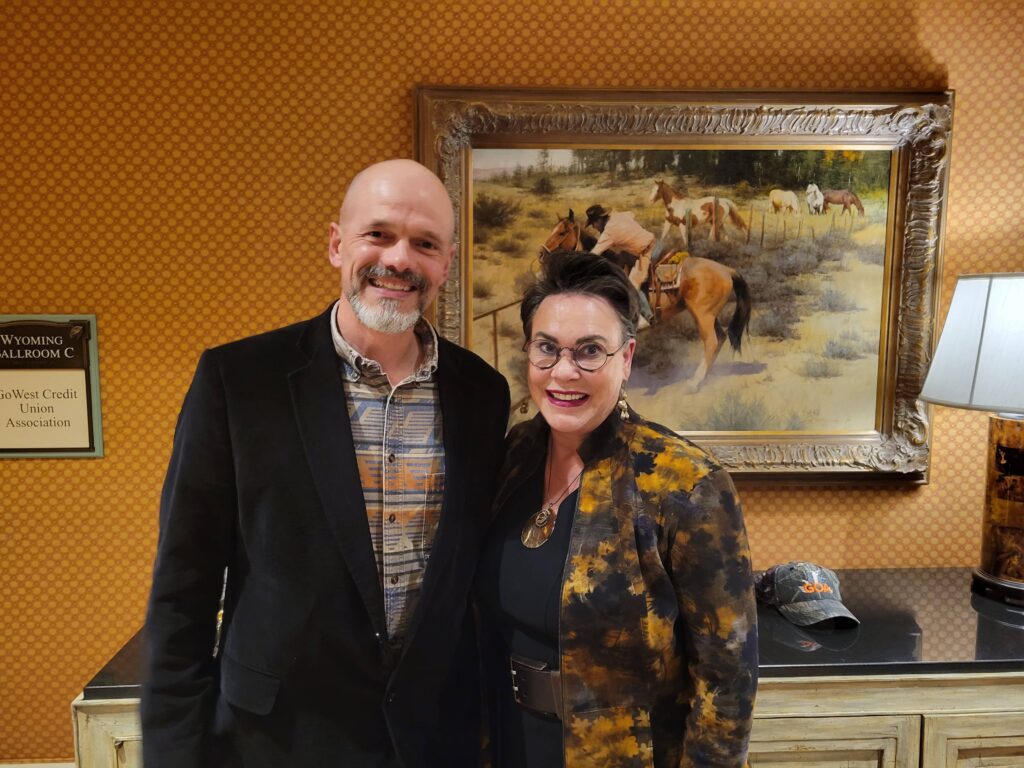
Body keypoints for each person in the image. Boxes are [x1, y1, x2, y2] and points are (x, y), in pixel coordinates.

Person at [142, 159, 510, 767]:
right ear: (337, 245)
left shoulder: (483, 393)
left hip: (432, 738)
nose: (398, 259)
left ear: (446, 263)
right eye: (378, 234)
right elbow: (182, 588)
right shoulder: (239, 381)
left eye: (424, 244)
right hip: (278, 739)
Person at [477, 251, 757, 767]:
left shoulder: (685, 483)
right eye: (547, 349)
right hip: (507, 741)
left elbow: (727, 679)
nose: (564, 372)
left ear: (625, 359)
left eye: (589, 351)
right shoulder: (513, 455)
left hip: (620, 755)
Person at [585, 204, 657, 328]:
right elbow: (632, 214)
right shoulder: (618, 216)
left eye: (593, 223)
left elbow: (595, 253)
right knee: (620, 261)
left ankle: (647, 317)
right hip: (648, 243)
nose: (594, 227)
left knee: (630, 284)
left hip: (644, 252)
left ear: (599, 220)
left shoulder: (609, 233)